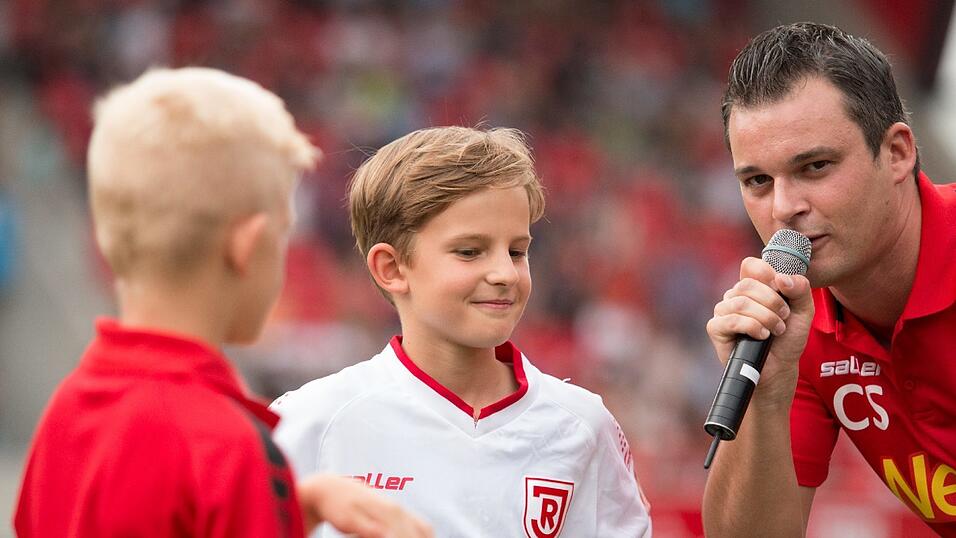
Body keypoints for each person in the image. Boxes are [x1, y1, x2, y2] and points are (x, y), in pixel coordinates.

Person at [14, 67, 432, 538]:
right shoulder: (226, 447)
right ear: (248, 247)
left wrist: (290, 509)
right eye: (282, 236)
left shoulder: (67, 410)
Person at [270, 126, 652, 537]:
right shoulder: (308, 422)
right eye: (470, 251)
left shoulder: (583, 426)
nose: (505, 273)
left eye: (517, 251)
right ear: (392, 268)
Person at [702, 22, 956, 536]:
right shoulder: (792, 328)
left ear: (897, 153)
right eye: (757, 180)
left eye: (815, 166)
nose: (783, 208)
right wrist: (767, 392)